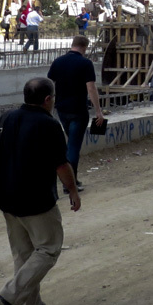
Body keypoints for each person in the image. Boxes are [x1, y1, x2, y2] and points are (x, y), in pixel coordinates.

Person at [0, 77, 81, 305]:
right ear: (48, 99)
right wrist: (72, 190)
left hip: (7, 200)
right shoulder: (48, 124)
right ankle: (10, 296)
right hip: (37, 201)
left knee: (23, 253)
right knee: (48, 249)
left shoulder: (6, 118)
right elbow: (61, 164)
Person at [47, 35, 104, 192]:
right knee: (73, 146)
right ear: (84, 48)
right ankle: (69, 184)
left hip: (61, 110)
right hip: (78, 110)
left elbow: (49, 84)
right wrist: (98, 111)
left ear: (73, 45)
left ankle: (70, 180)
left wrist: (49, 108)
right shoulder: (85, 63)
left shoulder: (58, 61)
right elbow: (91, 88)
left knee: (70, 143)